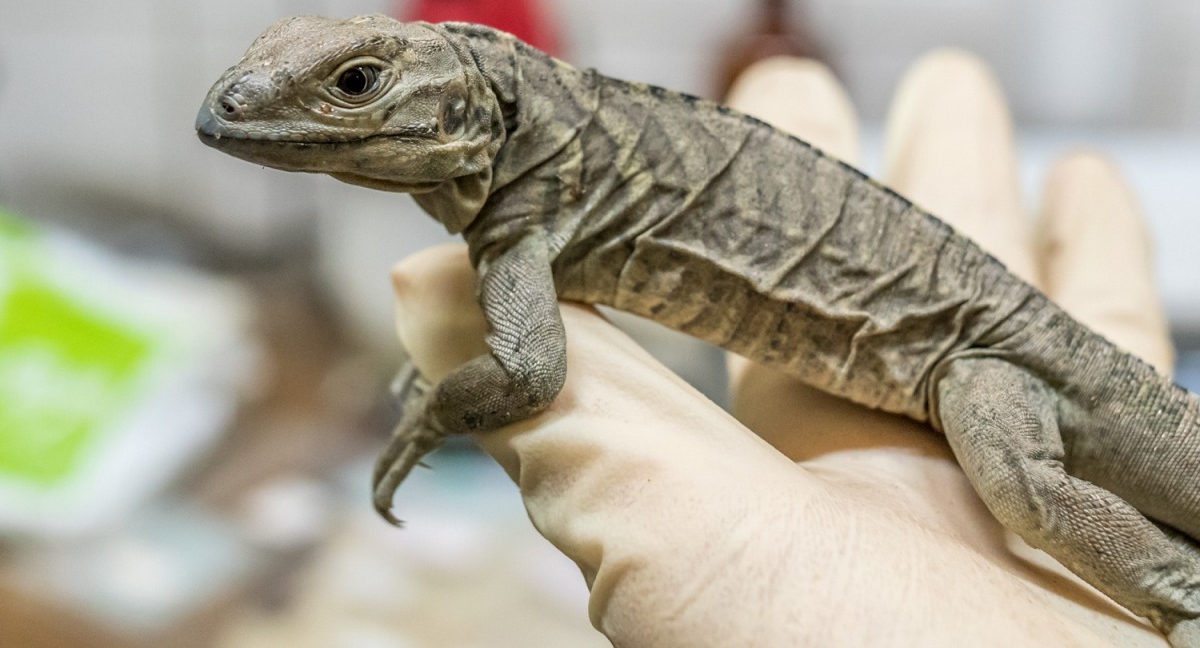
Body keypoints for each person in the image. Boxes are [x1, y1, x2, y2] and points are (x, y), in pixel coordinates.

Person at [390, 51, 1175, 647]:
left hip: (974, 358)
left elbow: (528, 370)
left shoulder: (533, 199)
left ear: (458, 109)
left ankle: (1180, 588)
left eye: (355, 86)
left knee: (1020, 487)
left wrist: (435, 409)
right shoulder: (540, 185)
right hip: (968, 341)